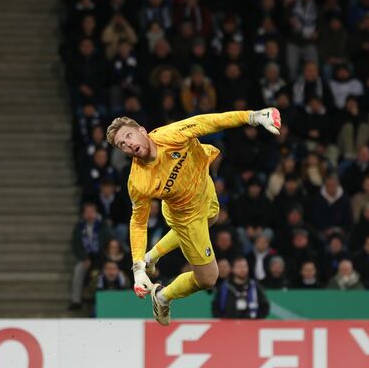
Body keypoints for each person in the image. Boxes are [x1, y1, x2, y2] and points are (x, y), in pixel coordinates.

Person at [106, 107, 281, 325]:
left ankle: (153, 255)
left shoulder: (171, 135)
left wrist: (252, 116)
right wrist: (138, 269)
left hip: (203, 186)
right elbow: (138, 223)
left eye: (129, 135)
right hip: (187, 219)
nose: (128, 144)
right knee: (208, 278)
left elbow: (210, 122)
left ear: (142, 130)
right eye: (122, 144)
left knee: (213, 218)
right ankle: (162, 296)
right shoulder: (138, 181)